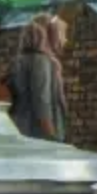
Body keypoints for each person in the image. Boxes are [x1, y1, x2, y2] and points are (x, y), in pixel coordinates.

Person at [8, 13, 69, 142]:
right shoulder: (41, 61)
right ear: (52, 34)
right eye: (63, 34)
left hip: (21, 129)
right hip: (37, 135)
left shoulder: (21, 59)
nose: (65, 40)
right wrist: (52, 137)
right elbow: (42, 101)